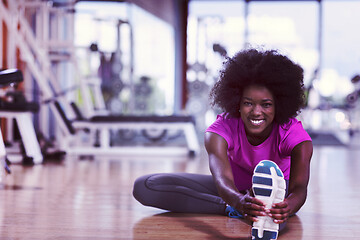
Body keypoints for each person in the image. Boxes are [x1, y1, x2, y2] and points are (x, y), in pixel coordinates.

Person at [133, 48, 313, 240]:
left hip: (276, 191)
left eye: (266, 104)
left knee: (273, 206)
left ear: (279, 105)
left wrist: (289, 206)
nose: (256, 112)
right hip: (232, 190)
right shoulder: (220, 130)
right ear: (237, 103)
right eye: (248, 103)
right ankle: (236, 210)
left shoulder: (294, 135)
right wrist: (237, 201)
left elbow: (299, 188)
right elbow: (222, 180)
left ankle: (265, 213)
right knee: (145, 186)